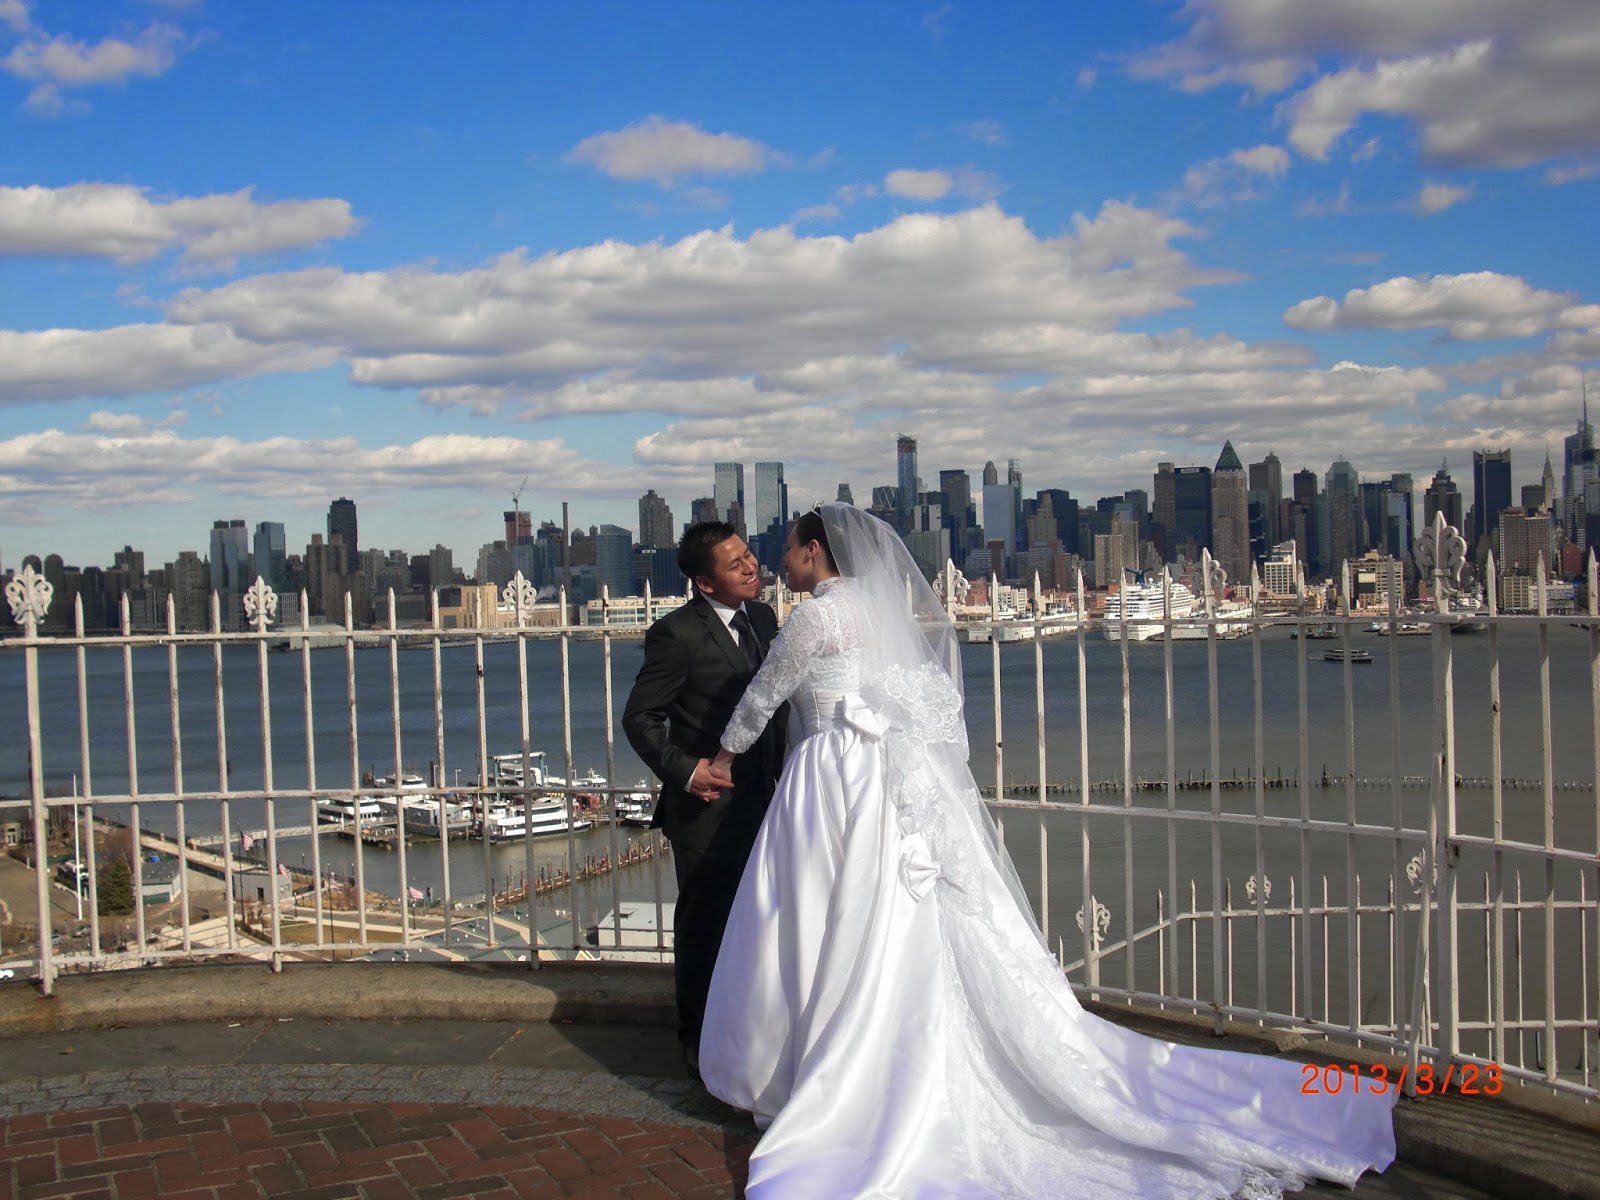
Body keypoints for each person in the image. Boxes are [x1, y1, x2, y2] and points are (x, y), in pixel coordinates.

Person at [698, 504, 1396, 1199]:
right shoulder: (880, 614)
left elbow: (766, 697)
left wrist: (724, 755)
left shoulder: (815, 617)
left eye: (788, 546)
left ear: (816, 552)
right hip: (889, 775)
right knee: (899, 915)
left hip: (833, 774)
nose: (778, 557)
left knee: (821, 911)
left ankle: (820, 1059)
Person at [622, 522, 787, 1080]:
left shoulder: (764, 619)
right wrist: (686, 772)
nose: (750, 567)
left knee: (761, 926)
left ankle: (748, 1035)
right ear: (704, 583)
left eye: (749, 555)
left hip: (768, 803)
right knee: (705, 928)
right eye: (734, 563)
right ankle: (696, 1040)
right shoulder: (676, 635)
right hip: (706, 813)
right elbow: (640, 718)